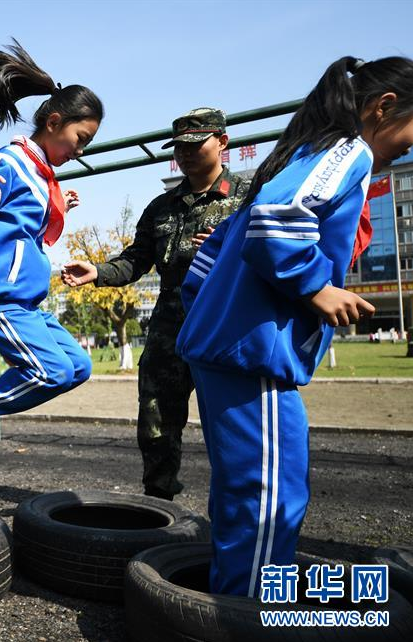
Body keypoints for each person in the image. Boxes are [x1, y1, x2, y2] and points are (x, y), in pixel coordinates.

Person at [175, 56, 413, 597]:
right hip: (255, 352)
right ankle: (245, 619)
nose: (409, 148)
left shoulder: (293, 156)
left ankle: (233, 596)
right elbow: (272, 224)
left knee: (247, 490)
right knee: (270, 497)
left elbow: (208, 260)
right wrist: (316, 287)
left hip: (225, 348)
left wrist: (212, 316)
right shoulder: (347, 150)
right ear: (385, 107)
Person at [61, 108, 249, 500]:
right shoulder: (161, 207)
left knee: (233, 425)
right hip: (170, 330)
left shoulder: (249, 198)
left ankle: (240, 510)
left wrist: (228, 250)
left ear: (223, 143)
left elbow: (271, 256)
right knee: (157, 421)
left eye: (196, 145)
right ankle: (159, 504)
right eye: (179, 147)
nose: (186, 154)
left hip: (226, 327)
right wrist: (97, 271)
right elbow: (134, 259)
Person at [0, 41, 101, 467]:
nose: (79, 151)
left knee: (78, 365)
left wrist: (60, 203)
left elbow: (24, 225)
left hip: (24, 301)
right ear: (53, 121)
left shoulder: (42, 173)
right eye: (79, 139)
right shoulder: (10, 161)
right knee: (52, 372)